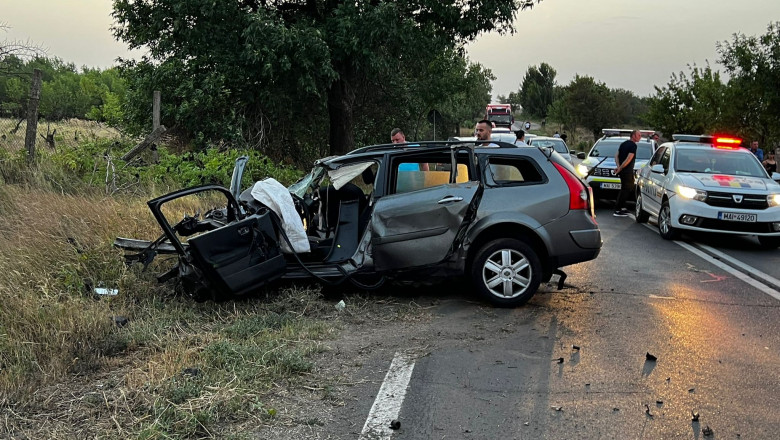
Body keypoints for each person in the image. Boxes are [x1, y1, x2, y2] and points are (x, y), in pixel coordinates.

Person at [613, 129, 641, 217]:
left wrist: (618, 166)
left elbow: (616, 155)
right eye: (638, 135)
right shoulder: (633, 146)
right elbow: (629, 159)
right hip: (627, 171)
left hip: (623, 170)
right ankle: (618, 209)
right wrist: (620, 168)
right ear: (633, 136)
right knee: (626, 189)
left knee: (628, 188)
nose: (640, 137)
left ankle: (623, 207)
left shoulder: (623, 143)